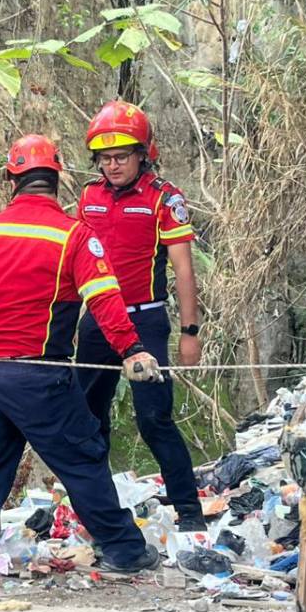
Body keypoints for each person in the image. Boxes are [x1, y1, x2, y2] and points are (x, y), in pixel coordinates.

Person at [0, 134, 163, 573]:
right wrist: (132, 350)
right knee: (82, 458)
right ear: (57, 179)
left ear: (11, 180)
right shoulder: (73, 235)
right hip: (38, 376)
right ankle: (125, 551)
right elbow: (104, 299)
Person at [74, 100, 206, 531]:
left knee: (154, 418)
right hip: (97, 321)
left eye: (121, 157)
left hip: (145, 320)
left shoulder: (164, 198)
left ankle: (190, 512)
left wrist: (190, 332)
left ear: (143, 154)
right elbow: (74, 262)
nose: (112, 165)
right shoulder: (89, 196)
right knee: (88, 419)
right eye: (105, 158)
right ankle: (97, 512)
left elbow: (183, 269)